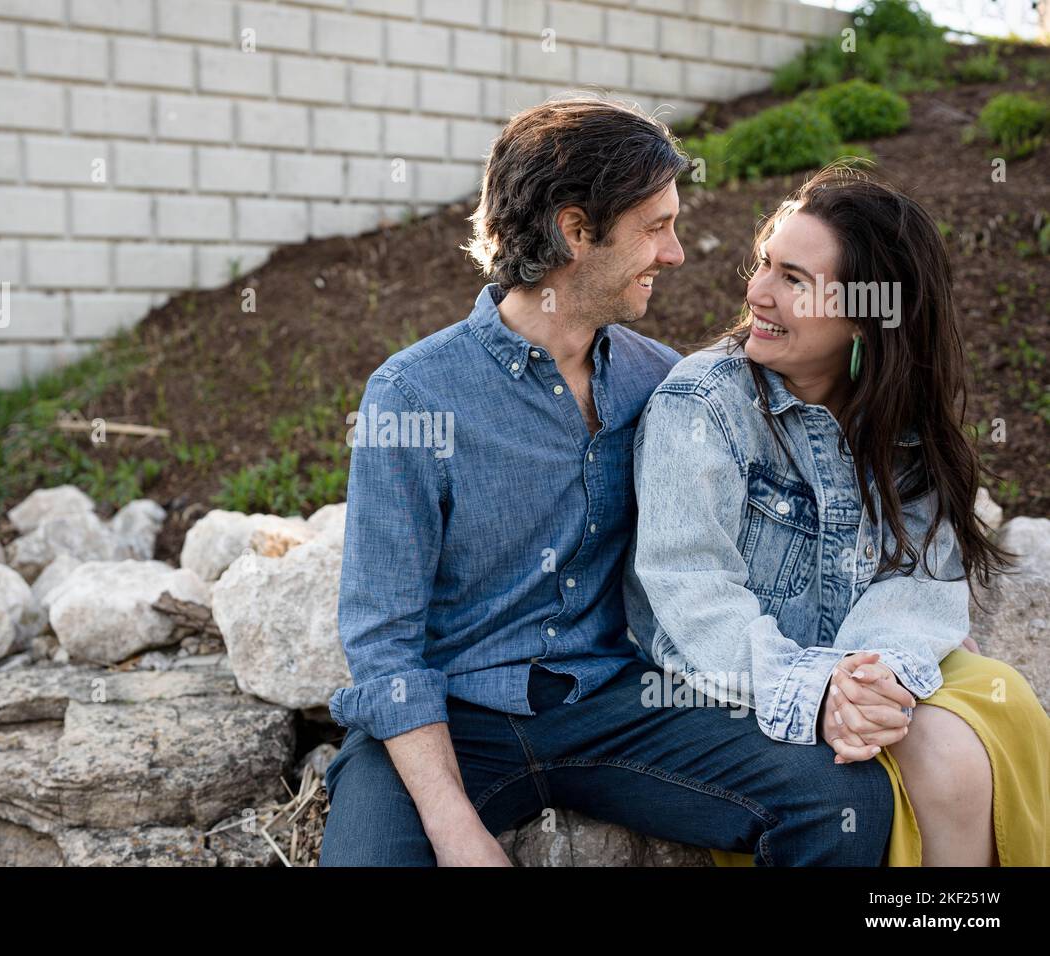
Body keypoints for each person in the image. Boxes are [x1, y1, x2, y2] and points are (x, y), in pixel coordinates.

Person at [318, 98, 894, 867]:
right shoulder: (415, 395)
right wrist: (455, 827)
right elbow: (383, 641)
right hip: (451, 721)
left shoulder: (662, 381)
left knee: (839, 797)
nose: (677, 253)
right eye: (655, 227)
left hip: (615, 703)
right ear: (575, 231)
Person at [624, 163, 1050, 866]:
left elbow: (919, 578)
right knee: (916, 769)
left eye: (794, 279)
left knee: (961, 757)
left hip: (871, 657)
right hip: (742, 674)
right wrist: (820, 687)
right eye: (765, 264)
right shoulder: (701, 406)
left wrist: (868, 674)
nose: (757, 292)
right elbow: (689, 598)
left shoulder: (900, 413)